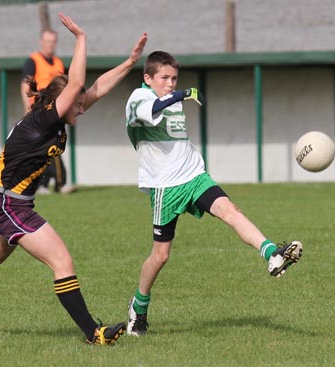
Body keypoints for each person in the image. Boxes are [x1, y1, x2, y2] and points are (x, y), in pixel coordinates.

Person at [0, 13, 148, 345]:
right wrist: (81, 38)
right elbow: (77, 85)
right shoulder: (42, 122)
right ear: (61, 104)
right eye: (77, 106)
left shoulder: (53, 119)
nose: (82, 108)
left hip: (8, 202)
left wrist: (131, 62)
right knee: (62, 260)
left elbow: (95, 88)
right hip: (10, 205)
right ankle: (93, 333)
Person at [124, 51, 303, 337]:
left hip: (194, 176)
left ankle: (272, 253)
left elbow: (170, 108)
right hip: (165, 188)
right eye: (164, 78)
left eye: (174, 79)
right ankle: (139, 307)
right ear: (148, 78)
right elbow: (152, 109)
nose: (170, 83)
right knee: (160, 256)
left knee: (231, 211)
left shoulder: (172, 98)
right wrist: (180, 94)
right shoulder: (138, 98)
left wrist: (178, 96)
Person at [21, 27, 72, 195]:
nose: (50, 45)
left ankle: (45, 183)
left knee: (50, 145)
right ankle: (57, 183)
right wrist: (28, 108)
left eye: (52, 42)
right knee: (45, 145)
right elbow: (25, 85)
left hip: (56, 109)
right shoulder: (33, 61)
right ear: (41, 42)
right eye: (47, 41)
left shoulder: (58, 63)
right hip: (39, 110)